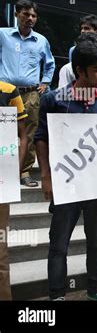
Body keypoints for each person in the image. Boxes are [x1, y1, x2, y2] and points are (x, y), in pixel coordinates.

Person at [35, 41, 97, 301]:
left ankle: (95, 290)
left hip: (96, 186)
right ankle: (57, 295)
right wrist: (46, 176)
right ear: (79, 70)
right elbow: (41, 138)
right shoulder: (53, 99)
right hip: (66, 183)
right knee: (59, 244)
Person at [0, 0, 55, 187]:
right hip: (4, 93)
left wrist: (45, 82)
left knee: (29, 133)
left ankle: (24, 172)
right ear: (16, 15)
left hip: (30, 94)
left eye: (33, 15)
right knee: (3, 132)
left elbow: (50, 64)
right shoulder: (3, 35)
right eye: (26, 14)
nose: (30, 18)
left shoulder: (41, 41)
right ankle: (3, 169)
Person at [0, 81, 28, 300]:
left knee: (0, 254)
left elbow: (22, 135)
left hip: (1, 183)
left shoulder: (8, 91)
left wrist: (13, 172)